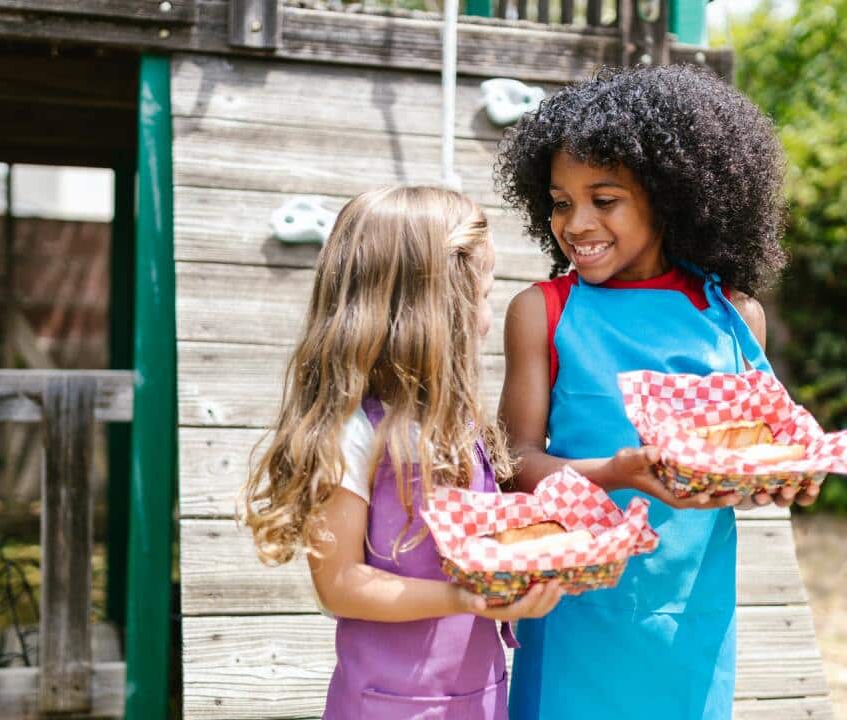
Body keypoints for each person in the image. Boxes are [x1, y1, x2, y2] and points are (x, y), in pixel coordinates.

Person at [494, 65, 816, 719]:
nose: (576, 223)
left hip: (689, 618)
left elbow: (754, 461)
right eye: (561, 202)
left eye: (603, 199)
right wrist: (622, 473)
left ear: (670, 197)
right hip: (573, 611)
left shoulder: (734, 317)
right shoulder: (542, 312)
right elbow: (512, 465)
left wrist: (789, 473)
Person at [242, 185, 565, 719]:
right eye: (481, 296)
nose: (488, 317)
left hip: (477, 696)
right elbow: (339, 584)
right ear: (435, 308)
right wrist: (463, 598)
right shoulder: (356, 430)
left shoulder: (459, 422)